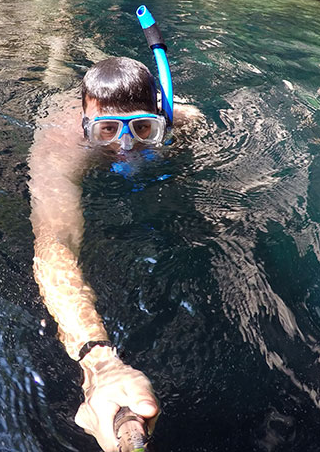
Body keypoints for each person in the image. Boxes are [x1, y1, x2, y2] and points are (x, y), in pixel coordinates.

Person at [28, 52, 200, 452]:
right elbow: (54, 244)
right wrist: (98, 359)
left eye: (142, 129)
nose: (124, 147)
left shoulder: (184, 121)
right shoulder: (60, 142)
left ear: (160, 117)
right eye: (106, 131)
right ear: (85, 125)